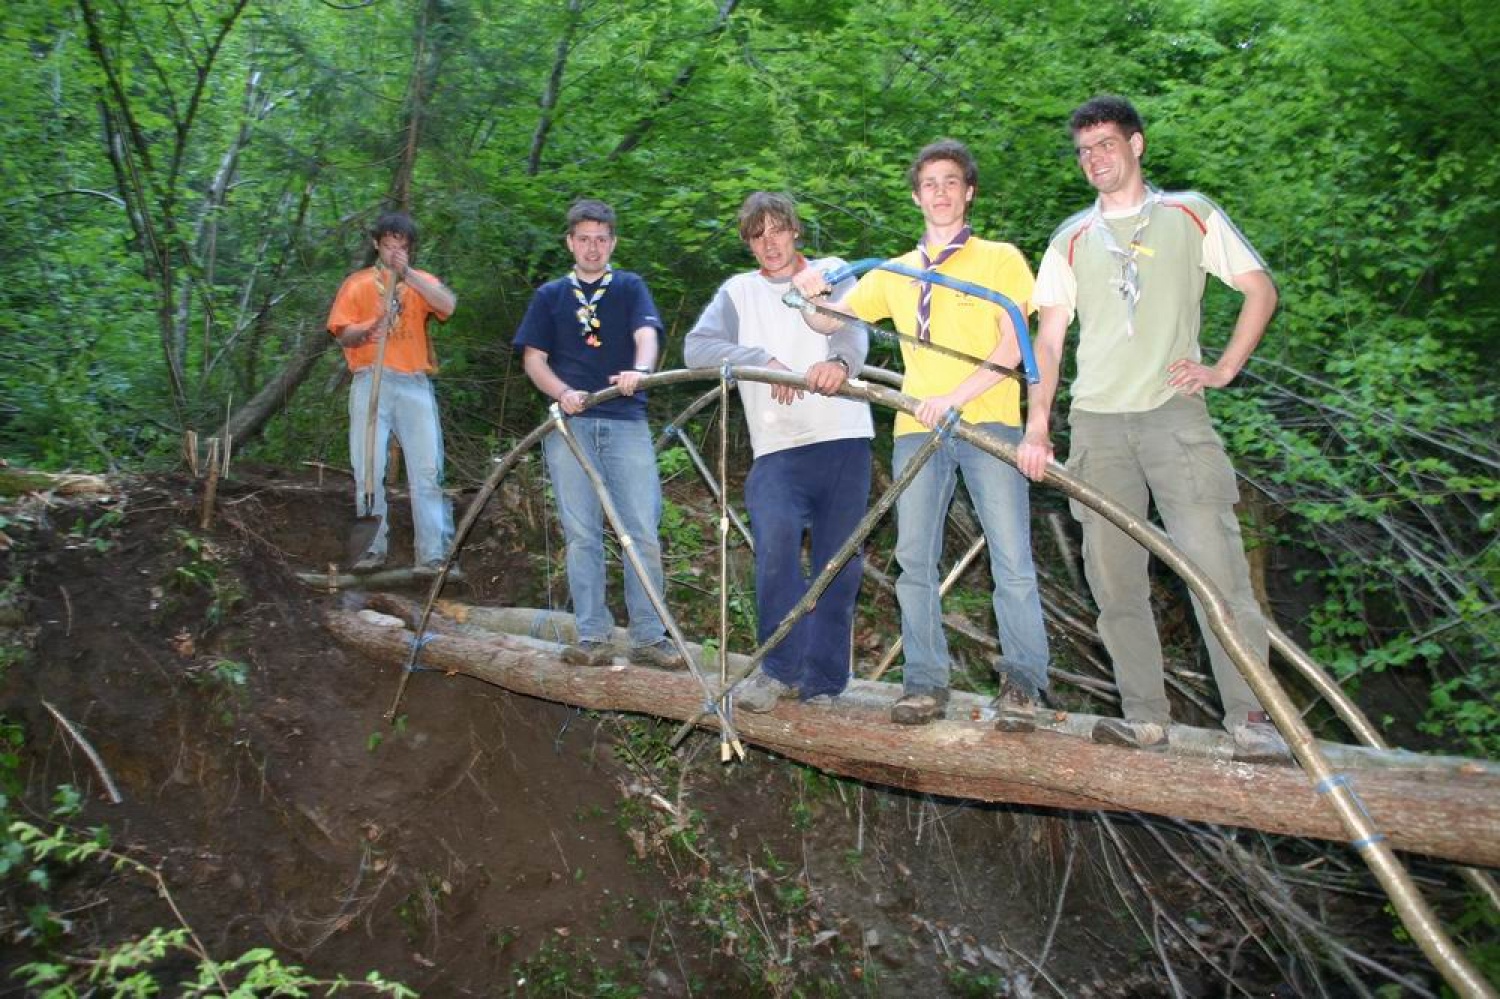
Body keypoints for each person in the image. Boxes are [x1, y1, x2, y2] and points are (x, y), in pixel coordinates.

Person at [1017, 95, 1285, 759]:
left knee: (1216, 569)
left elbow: (1260, 288)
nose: (1094, 159)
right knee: (1114, 580)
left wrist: (1223, 367)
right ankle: (1144, 716)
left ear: (1136, 144)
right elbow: (1048, 342)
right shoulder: (1069, 238)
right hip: (1097, 425)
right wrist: (1038, 426)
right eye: (1083, 150)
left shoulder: (1190, 213)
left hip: (1174, 419)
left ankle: (1252, 716)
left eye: (1105, 144)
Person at [793, 139, 1050, 729]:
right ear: (916, 195)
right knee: (914, 560)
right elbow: (833, 319)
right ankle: (925, 683)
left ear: (969, 192)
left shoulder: (1001, 259)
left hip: (989, 421)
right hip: (917, 428)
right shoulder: (895, 272)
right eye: (930, 183)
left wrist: (954, 400)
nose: (940, 192)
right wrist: (810, 297)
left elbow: (1014, 343)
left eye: (951, 182)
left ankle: (1023, 688)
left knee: (1011, 557)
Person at [683, 192, 874, 710]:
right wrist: (759, 359)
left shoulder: (833, 271)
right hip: (777, 448)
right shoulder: (739, 292)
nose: (770, 242)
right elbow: (695, 348)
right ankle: (778, 669)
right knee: (775, 548)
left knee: (839, 563)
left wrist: (840, 363)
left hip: (842, 439)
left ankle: (825, 682)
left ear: (796, 231)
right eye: (758, 234)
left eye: (778, 230)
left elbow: (854, 329)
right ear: (749, 242)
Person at [513, 198, 685, 670]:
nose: (593, 248)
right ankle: (592, 634)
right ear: (570, 242)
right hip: (570, 425)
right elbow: (533, 359)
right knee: (582, 534)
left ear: (613, 242)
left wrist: (640, 371)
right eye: (584, 239)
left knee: (641, 531)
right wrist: (563, 393)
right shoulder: (550, 295)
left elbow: (647, 336)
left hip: (625, 419)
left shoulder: (630, 287)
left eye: (602, 239)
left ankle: (649, 636)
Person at [327, 210, 458, 577]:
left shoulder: (421, 282)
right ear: (376, 245)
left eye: (401, 247)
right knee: (368, 467)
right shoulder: (357, 284)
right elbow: (341, 334)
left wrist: (408, 275)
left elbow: (448, 305)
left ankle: (432, 554)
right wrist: (372, 327)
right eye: (388, 246)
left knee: (428, 469)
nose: (394, 252)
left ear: (410, 249)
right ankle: (372, 549)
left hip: (414, 383)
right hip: (371, 380)